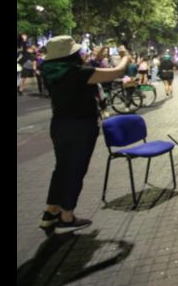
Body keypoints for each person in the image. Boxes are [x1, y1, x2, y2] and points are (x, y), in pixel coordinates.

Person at [39, 35, 131, 235]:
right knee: (76, 171)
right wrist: (125, 57)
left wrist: (95, 58)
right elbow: (117, 72)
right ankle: (67, 216)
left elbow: (87, 69)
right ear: (71, 55)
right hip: (81, 126)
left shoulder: (50, 71)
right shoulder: (78, 73)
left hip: (60, 125)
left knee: (61, 168)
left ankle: (51, 211)